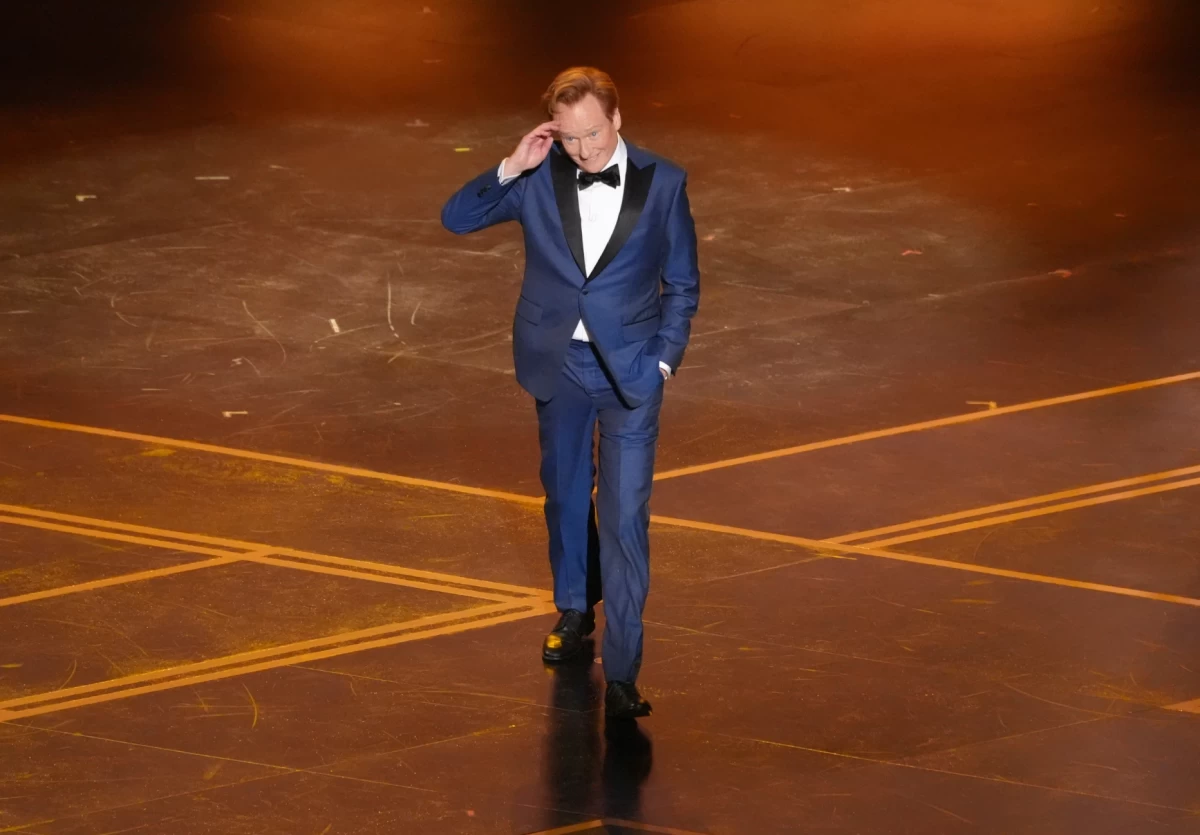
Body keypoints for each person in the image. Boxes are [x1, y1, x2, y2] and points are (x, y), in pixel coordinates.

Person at [441, 67, 700, 719]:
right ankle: (576, 609)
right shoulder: (536, 176)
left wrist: (663, 361)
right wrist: (512, 166)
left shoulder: (664, 182)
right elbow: (456, 218)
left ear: (617, 119)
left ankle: (624, 668)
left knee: (624, 516)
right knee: (563, 495)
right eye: (570, 138)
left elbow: (683, 283)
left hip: (631, 372)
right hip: (557, 364)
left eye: (593, 135)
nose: (584, 151)